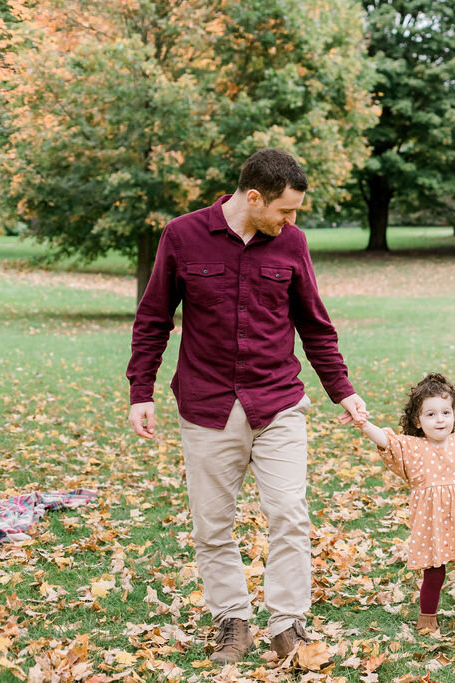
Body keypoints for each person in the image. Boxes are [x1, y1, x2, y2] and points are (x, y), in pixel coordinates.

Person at [126, 149, 368, 664]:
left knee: (288, 513)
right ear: (253, 197)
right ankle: (232, 620)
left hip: (277, 401)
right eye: (285, 210)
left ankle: (287, 624)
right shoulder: (182, 235)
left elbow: (315, 325)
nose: (292, 220)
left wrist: (342, 391)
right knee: (212, 524)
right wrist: (140, 392)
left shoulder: (292, 244)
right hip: (207, 404)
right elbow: (152, 319)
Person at [353, 373, 455, 634]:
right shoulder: (413, 447)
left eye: (446, 412)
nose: (440, 420)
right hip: (431, 522)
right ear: (418, 420)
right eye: (431, 414)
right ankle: (427, 615)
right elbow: (387, 442)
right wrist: (364, 425)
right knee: (434, 573)